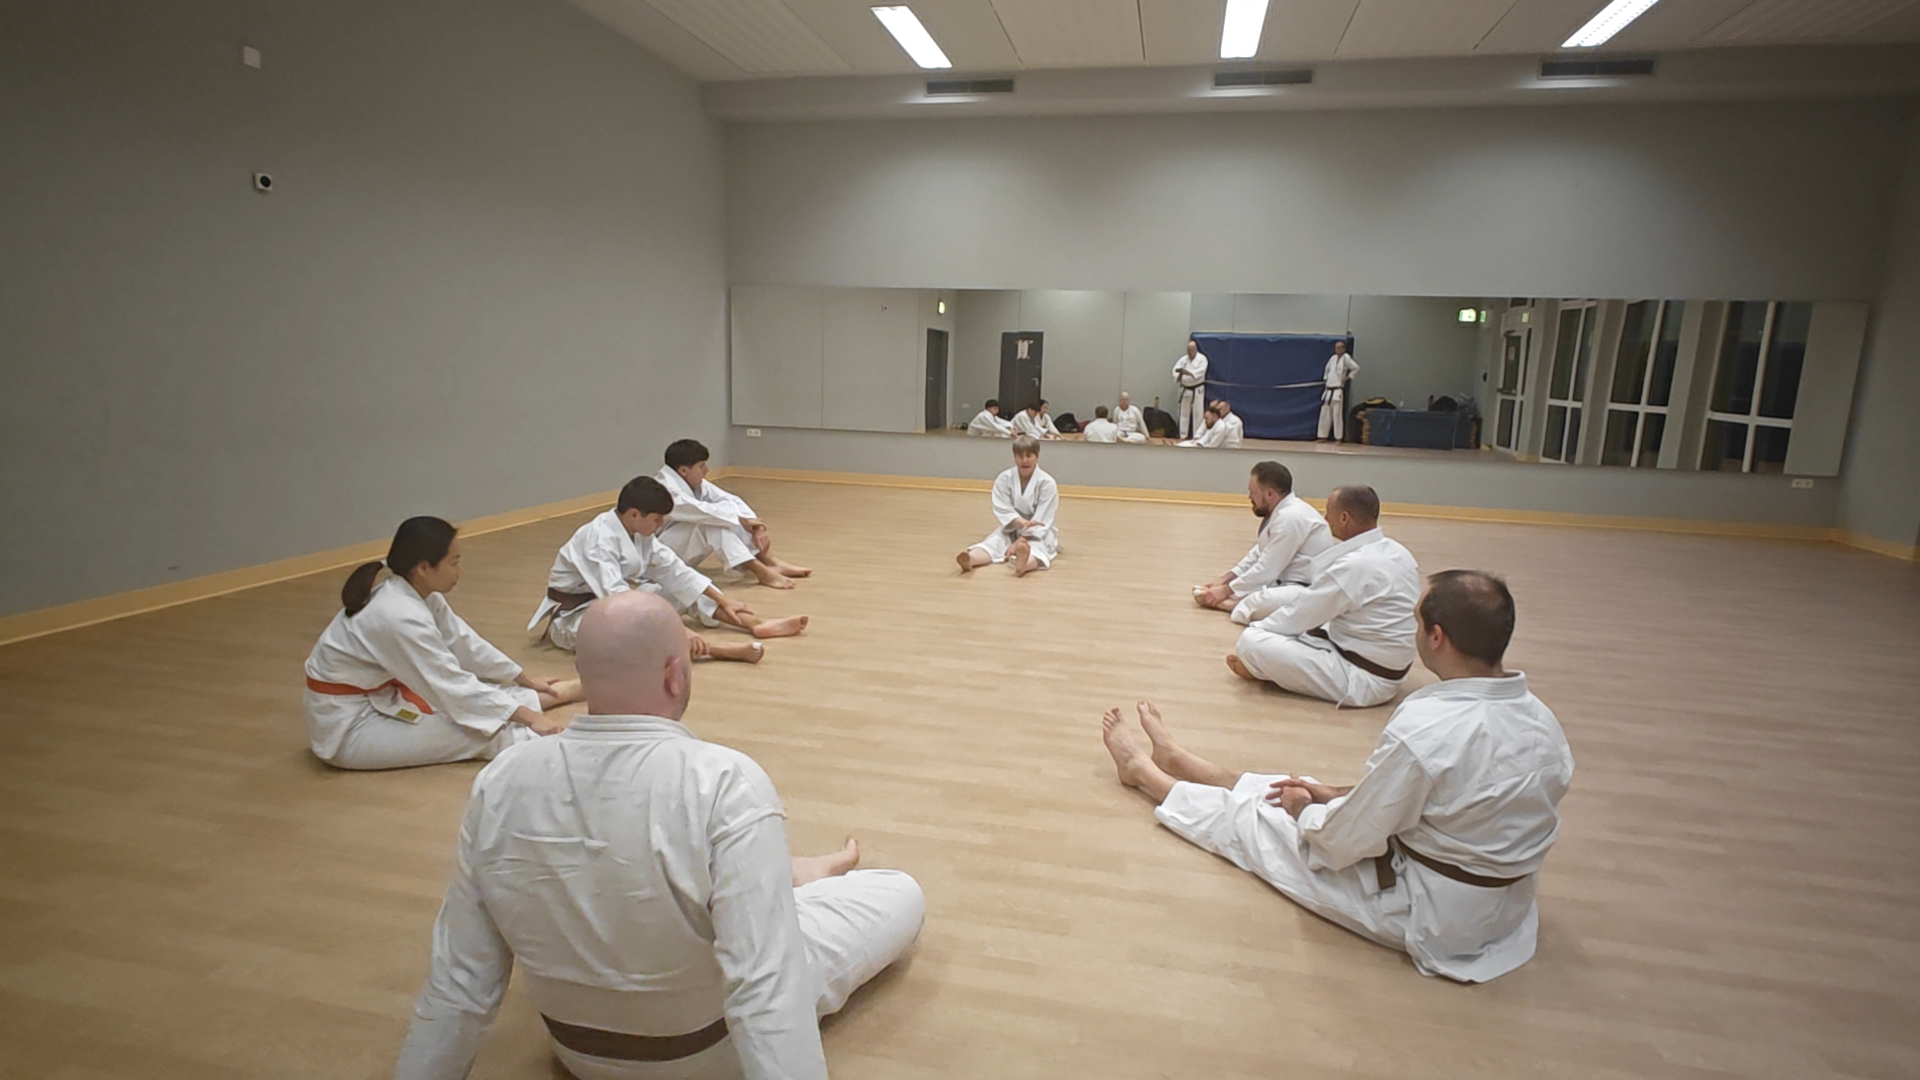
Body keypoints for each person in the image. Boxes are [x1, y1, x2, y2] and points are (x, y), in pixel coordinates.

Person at [395, 590, 926, 1080]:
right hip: (710, 1053)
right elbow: (767, 988)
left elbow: (459, 983)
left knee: (707, 878)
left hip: (580, 1055)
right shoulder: (721, 780)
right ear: (676, 674)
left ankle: (794, 872)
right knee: (898, 891)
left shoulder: (501, 781)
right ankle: (793, 878)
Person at [1099, 570, 1574, 983]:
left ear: (1436, 637)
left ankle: (1144, 774)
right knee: (1301, 786)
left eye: (1415, 623)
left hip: (1431, 912)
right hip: (1502, 911)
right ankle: (1183, 762)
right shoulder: (1543, 722)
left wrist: (1308, 811)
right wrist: (1328, 793)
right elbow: (1447, 801)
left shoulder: (1427, 731)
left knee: (1258, 823)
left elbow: (1343, 842)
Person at [303, 516, 582, 771]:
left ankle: (582, 690)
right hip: (350, 728)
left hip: (381, 698)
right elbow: (449, 683)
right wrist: (529, 718)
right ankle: (575, 751)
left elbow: (464, 643)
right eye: (454, 562)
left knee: (494, 700)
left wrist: (522, 678)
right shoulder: (397, 614)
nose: (460, 570)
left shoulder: (418, 593)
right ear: (424, 568)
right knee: (484, 731)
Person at [529, 477, 808, 665]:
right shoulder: (598, 540)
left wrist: (724, 599)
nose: (661, 525)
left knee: (684, 589)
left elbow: (676, 570)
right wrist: (680, 631)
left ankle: (755, 623)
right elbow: (618, 600)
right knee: (631, 638)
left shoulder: (640, 532)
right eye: (657, 519)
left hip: (618, 600)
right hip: (576, 617)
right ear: (634, 514)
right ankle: (717, 650)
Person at [1227, 485, 1418, 707]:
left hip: (1364, 679)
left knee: (1252, 642)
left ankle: (1263, 668)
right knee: (1292, 613)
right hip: (1381, 660)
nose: (1326, 518)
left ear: (1344, 518)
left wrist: (1260, 632)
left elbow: (1299, 616)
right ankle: (1267, 665)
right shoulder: (1396, 551)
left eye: (1329, 512)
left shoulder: (1355, 566)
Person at [655, 440, 811, 591]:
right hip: (657, 559)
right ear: (683, 470)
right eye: (701, 466)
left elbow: (730, 500)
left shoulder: (692, 482)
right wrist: (739, 520)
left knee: (724, 510)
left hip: (677, 548)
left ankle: (769, 561)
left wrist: (757, 526)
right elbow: (699, 511)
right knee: (711, 522)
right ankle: (761, 571)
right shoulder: (665, 488)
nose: (707, 470)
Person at [1193, 462, 1334, 624]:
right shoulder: (1282, 513)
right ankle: (1233, 601)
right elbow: (1257, 554)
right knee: (1250, 590)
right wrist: (1223, 580)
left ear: (1269, 494)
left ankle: (1227, 604)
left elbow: (1267, 569)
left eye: (1252, 492)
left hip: (1308, 589)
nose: (1249, 497)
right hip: (1284, 583)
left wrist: (1224, 592)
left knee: (1261, 600)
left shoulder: (1291, 518)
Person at [956, 435, 1059, 577]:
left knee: (1037, 548)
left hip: (1038, 531)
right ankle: (970, 559)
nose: (1024, 461)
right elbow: (1002, 507)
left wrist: (1021, 540)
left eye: (1029, 456)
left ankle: (1023, 564)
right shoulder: (1004, 478)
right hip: (1012, 526)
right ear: (1014, 457)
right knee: (994, 541)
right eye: (1019, 456)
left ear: (1037, 457)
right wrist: (1020, 522)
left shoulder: (1047, 482)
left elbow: (1044, 516)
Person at [1317, 341, 1360, 442]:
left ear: (1344, 348)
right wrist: (1326, 379)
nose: (1338, 350)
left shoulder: (1346, 358)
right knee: (1325, 414)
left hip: (1337, 390)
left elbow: (1356, 368)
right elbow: (1327, 370)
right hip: (1328, 389)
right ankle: (1322, 436)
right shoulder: (1332, 358)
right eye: (1336, 348)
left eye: (1340, 348)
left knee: (1337, 415)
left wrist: (1347, 377)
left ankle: (1338, 437)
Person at [1172, 338, 1209, 440]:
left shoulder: (1202, 359)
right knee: (1184, 413)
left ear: (1196, 349)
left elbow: (1200, 372)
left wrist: (1188, 373)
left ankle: (1197, 437)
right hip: (1185, 389)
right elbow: (1175, 371)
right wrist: (1179, 375)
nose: (1190, 352)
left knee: (1198, 414)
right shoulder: (1183, 360)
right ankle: (1183, 435)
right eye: (1188, 350)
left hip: (1197, 389)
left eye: (1192, 350)